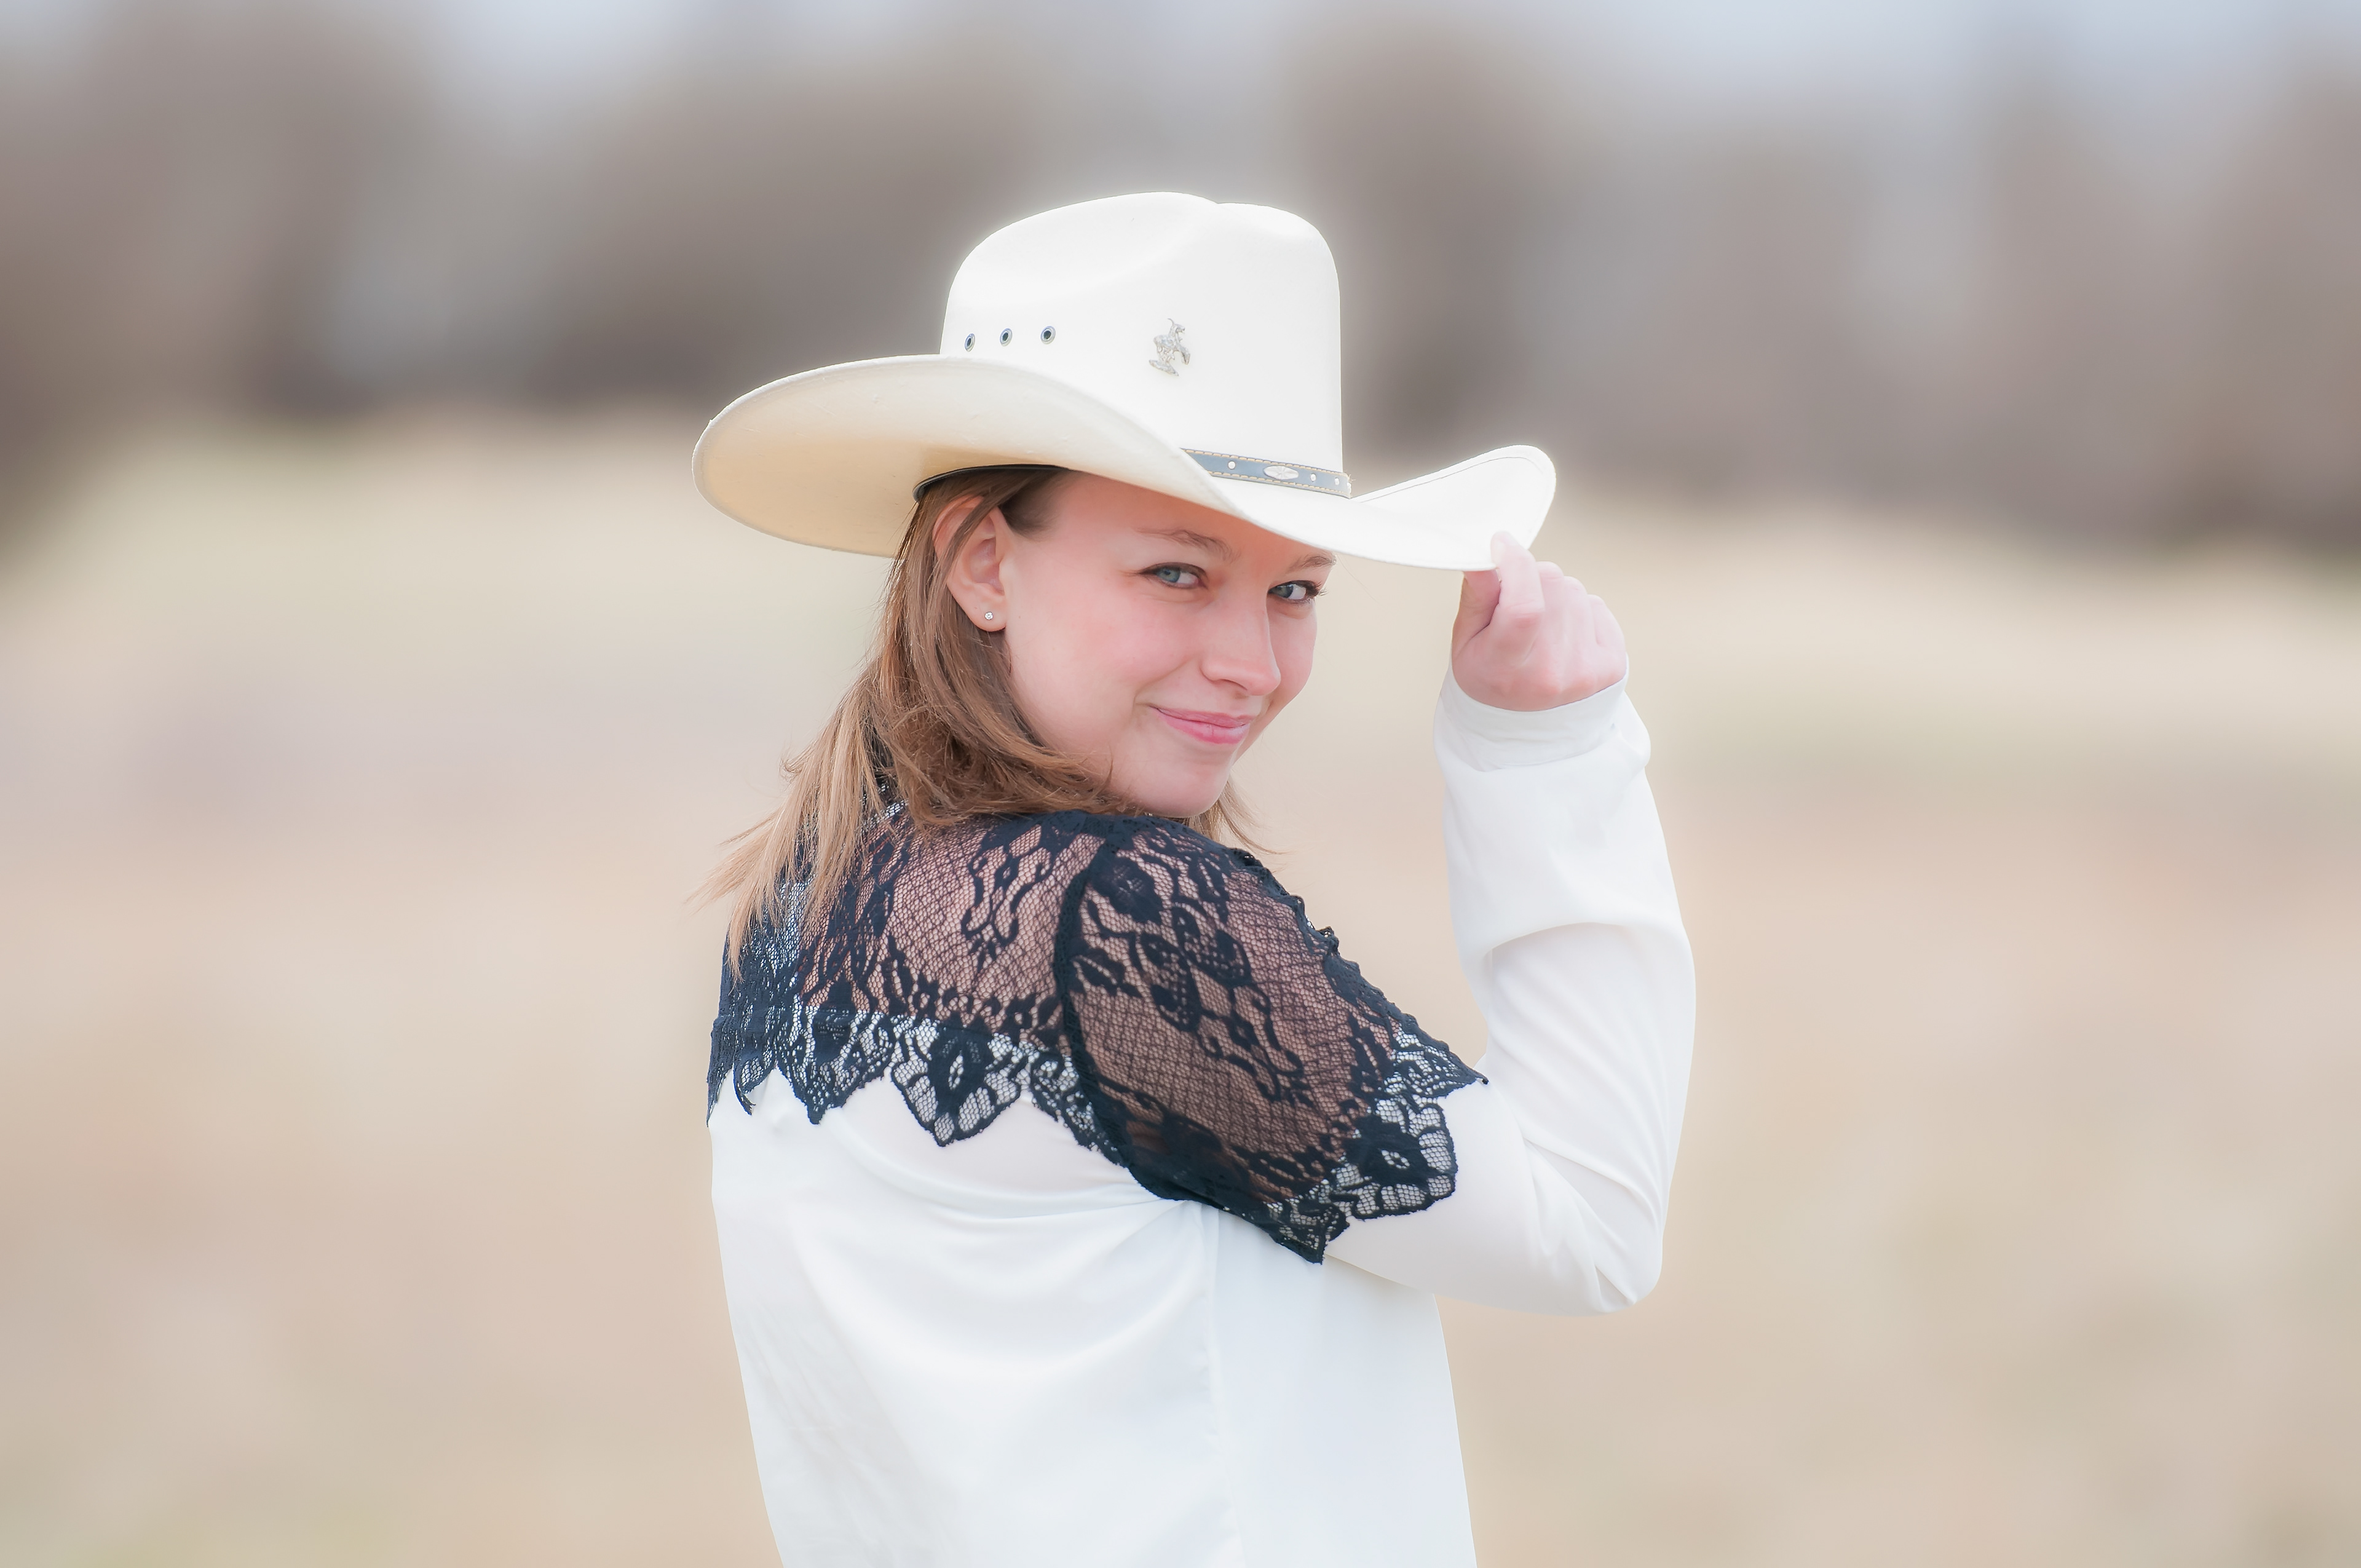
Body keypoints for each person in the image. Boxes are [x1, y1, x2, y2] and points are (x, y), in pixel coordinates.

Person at [694, 192, 1693, 1567]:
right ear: (983, 563)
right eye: (1178, 572)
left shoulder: (806, 896)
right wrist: (1550, 752)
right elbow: (1590, 1221)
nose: (1254, 663)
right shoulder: (1124, 922)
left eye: (1297, 590)